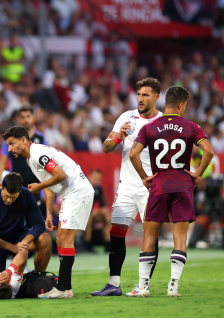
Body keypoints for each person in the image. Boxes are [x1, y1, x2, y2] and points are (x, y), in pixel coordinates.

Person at [126, 86, 214, 297]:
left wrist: (144, 177)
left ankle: (143, 287)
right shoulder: (192, 126)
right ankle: (173, 286)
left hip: (159, 184)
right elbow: (209, 151)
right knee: (180, 236)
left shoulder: (150, 127)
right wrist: (198, 174)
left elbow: (133, 154)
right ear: (181, 105)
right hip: (183, 185)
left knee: (149, 236)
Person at [2, 125, 94, 299]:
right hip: (72, 194)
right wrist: (49, 213)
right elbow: (50, 182)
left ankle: (64, 289)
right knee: (61, 238)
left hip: (77, 192)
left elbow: (60, 175)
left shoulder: (37, 154)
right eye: (8, 145)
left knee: (64, 238)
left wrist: (39, 186)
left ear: (23, 139)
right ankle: (64, 288)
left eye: (12, 143)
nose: (9, 149)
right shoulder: (31, 158)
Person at [92, 77, 163, 296]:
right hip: (126, 186)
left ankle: (144, 284)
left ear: (157, 97)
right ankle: (114, 284)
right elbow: (105, 147)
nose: (140, 99)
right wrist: (118, 138)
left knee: (150, 235)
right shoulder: (126, 117)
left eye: (146, 95)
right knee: (116, 232)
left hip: (150, 186)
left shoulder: (163, 122)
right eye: (139, 94)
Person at [0, 172, 51, 272]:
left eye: (13, 198)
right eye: (6, 196)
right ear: (1, 186)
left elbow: (40, 224)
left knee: (45, 239)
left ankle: (38, 278)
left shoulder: (26, 194)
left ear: (20, 190)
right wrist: (13, 247)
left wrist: (24, 242)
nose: (8, 200)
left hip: (17, 238)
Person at [0, 106, 47, 213]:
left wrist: (44, 190)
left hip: (35, 186)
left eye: (28, 116)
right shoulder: (10, 139)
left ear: (34, 118)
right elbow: (1, 163)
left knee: (32, 221)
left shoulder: (41, 139)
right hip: (15, 184)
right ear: (18, 119)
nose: (26, 120)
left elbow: (46, 167)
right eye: (23, 117)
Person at [83, 169, 111, 253]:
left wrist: (103, 211)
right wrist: (95, 212)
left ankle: (108, 245)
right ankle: (87, 246)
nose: (96, 180)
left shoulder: (98, 189)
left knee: (107, 217)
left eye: (98, 178)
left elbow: (103, 206)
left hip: (91, 213)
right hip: (81, 214)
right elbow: (82, 207)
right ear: (89, 177)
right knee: (89, 218)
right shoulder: (83, 187)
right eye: (94, 178)